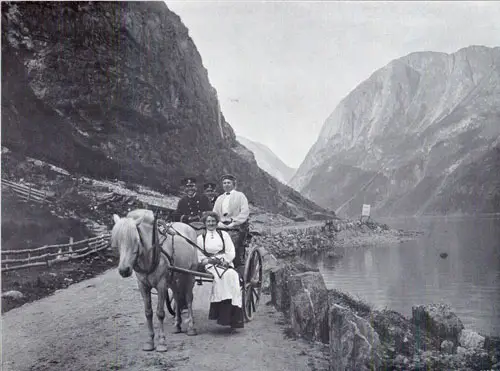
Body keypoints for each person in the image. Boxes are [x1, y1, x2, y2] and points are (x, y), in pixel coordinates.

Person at [197, 211, 244, 329]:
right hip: (210, 265)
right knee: (221, 277)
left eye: (213, 221)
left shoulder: (224, 235)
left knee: (232, 275)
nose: (211, 223)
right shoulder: (200, 238)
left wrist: (225, 260)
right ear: (204, 223)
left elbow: (230, 251)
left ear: (217, 222)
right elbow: (198, 254)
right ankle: (220, 314)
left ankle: (234, 316)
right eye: (208, 221)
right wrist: (206, 261)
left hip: (224, 262)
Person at [212, 174, 250, 268]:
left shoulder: (240, 196)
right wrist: (218, 223)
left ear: (233, 184)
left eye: (228, 183)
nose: (226, 185)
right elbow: (215, 213)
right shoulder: (219, 198)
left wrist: (234, 223)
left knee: (230, 243)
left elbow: (244, 212)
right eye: (224, 183)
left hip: (236, 227)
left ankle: (231, 264)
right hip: (221, 225)